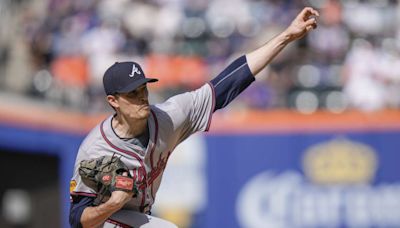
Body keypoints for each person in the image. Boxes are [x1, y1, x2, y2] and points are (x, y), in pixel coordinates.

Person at [69, 7, 319, 228]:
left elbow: (227, 83)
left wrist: (286, 36)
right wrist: (112, 204)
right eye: (132, 94)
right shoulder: (95, 149)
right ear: (113, 101)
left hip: (136, 217)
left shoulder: (168, 117)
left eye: (143, 89)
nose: (142, 97)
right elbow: (77, 219)